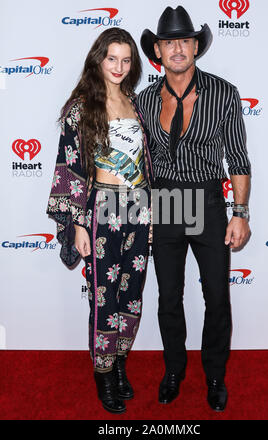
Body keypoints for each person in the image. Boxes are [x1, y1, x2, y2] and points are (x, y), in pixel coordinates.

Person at [137, 6, 251, 411]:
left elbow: (238, 158)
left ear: (196, 46)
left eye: (184, 40)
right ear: (158, 51)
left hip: (206, 199)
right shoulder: (145, 99)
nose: (178, 49)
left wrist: (241, 212)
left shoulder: (224, 93)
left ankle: (215, 374)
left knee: (217, 296)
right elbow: (139, 162)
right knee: (169, 296)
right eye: (169, 42)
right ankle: (174, 370)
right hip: (165, 201)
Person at [46, 28, 152, 414]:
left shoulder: (135, 102)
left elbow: (146, 165)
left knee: (132, 294)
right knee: (104, 297)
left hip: (138, 208)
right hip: (101, 211)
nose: (119, 67)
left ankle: (121, 364)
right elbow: (70, 166)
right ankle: (103, 374)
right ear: (98, 59)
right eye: (112, 59)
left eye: (126, 60)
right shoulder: (80, 107)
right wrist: (77, 224)